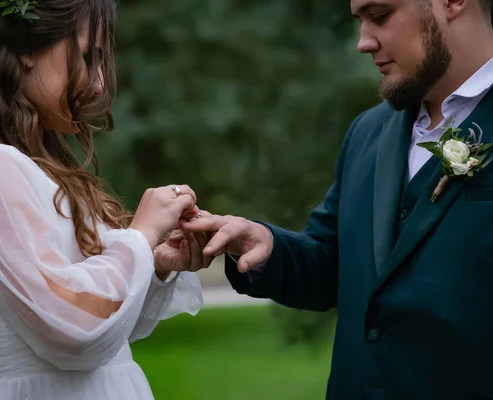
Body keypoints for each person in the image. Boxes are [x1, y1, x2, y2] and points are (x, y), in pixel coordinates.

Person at [182, 0, 493, 398]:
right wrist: (265, 245)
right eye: (359, 20)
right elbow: (334, 264)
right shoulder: (367, 133)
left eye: (379, 16)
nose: (363, 42)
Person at [0, 0, 209, 399]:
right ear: (25, 48)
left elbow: (107, 337)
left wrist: (153, 263)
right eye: (87, 57)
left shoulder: (35, 166)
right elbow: (73, 332)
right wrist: (140, 235)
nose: (99, 84)